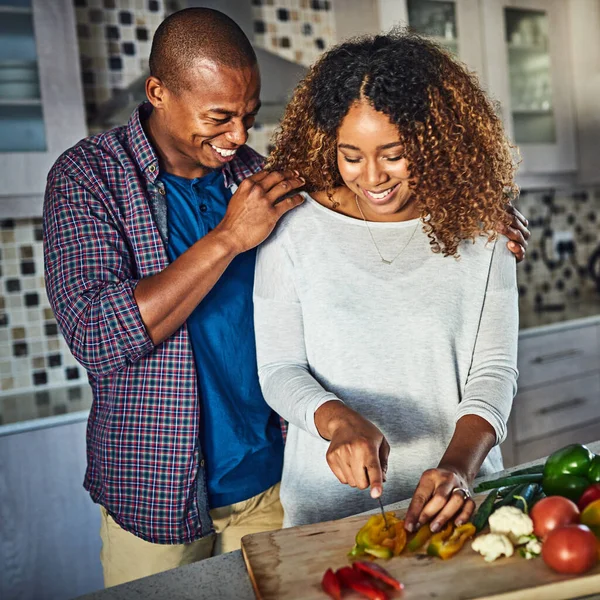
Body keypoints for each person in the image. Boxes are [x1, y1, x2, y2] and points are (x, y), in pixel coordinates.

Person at [43, 8, 527, 586]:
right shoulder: (89, 178)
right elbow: (97, 335)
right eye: (219, 118)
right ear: (158, 92)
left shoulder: (263, 180)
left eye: (248, 116)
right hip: (158, 490)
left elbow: (368, 199)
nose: (239, 137)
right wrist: (228, 238)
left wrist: (473, 205)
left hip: (270, 481)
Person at [254, 30, 521, 534]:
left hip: (458, 502)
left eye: (393, 153)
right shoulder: (292, 228)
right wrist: (336, 420)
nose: (372, 177)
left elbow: (494, 373)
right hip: (326, 512)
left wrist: (459, 471)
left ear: (435, 141)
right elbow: (278, 367)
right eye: (351, 155)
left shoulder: (485, 230)